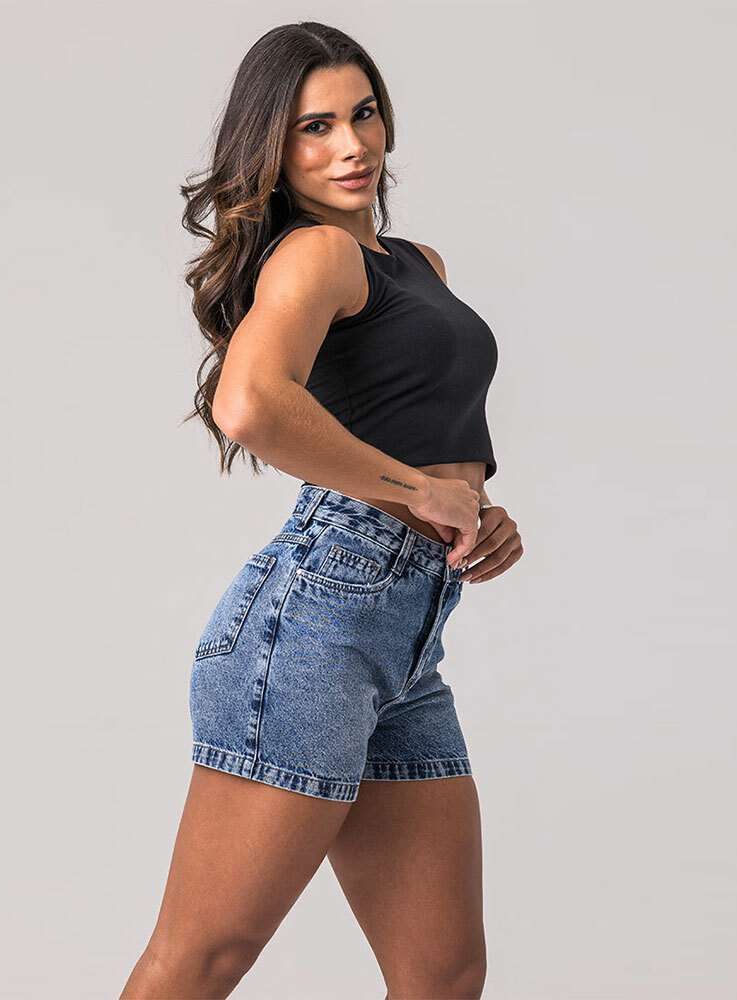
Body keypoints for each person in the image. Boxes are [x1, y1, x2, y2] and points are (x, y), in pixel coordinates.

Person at [121, 21, 523, 1000]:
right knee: (204, 956)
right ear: (274, 145)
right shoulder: (316, 254)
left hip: (405, 636)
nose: (351, 145)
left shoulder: (413, 263)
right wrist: (417, 490)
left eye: (363, 114)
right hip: (316, 622)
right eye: (315, 127)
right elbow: (249, 404)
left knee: (443, 972)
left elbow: (406, 424)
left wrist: (477, 508)